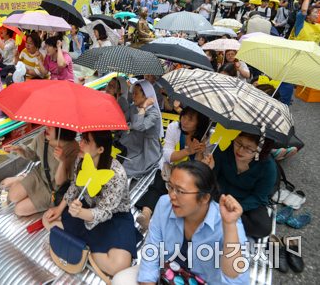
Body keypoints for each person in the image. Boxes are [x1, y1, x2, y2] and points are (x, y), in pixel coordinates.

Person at [112, 161, 249, 285]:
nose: (172, 195)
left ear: (204, 198)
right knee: (120, 280)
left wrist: (230, 225)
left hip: (206, 281)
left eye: (180, 191)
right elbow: (151, 250)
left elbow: (235, 278)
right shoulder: (164, 204)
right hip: (167, 272)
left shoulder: (229, 223)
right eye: (170, 187)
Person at [44, 131, 142, 281]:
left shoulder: (116, 174)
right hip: (86, 208)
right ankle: (89, 250)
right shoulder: (81, 159)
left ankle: (81, 248)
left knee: (120, 266)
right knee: (47, 219)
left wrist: (80, 213)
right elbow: (75, 187)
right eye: (82, 139)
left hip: (113, 216)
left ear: (101, 149)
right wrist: (60, 208)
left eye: (87, 141)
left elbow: (105, 212)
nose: (81, 144)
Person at [136, 107, 210, 231]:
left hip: (188, 174)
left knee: (180, 195)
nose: (184, 121)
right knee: (158, 185)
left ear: (199, 123)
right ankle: (146, 214)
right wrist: (188, 151)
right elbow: (168, 156)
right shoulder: (174, 128)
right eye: (184, 116)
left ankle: (171, 224)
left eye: (190, 119)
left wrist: (200, 153)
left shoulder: (205, 137)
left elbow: (198, 166)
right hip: (169, 168)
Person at [204, 132, 276, 238]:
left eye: (248, 148)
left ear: (260, 150)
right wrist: (208, 169)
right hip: (219, 194)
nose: (240, 150)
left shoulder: (268, 167)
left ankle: (219, 219)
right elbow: (212, 180)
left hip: (246, 202)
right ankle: (223, 220)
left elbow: (259, 197)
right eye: (238, 143)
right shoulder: (223, 149)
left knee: (262, 228)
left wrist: (237, 208)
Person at [0, 127, 79, 216]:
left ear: (62, 128)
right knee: (12, 196)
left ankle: (22, 181)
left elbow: (60, 182)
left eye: (51, 126)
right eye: (47, 124)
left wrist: (62, 161)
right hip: (39, 174)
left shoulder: (74, 149)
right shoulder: (42, 137)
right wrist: (18, 149)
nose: (47, 127)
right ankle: (21, 178)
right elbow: (33, 155)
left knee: (19, 210)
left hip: (53, 190)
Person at [119, 80, 163, 177]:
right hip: (133, 144)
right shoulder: (133, 107)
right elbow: (122, 120)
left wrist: (144, 107)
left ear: (145, 95)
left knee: (125, 168)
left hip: (146, 150)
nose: (133, 96)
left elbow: (139, 126)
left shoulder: (153, 113)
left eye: (136, 93)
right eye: (132, 93)